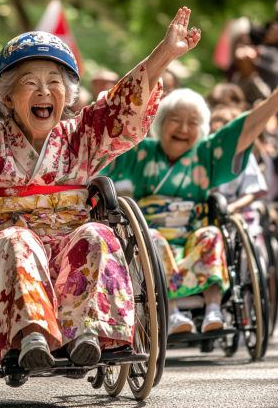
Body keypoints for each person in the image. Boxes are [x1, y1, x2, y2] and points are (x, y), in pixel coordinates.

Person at [0, 7, 201, 370]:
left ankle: (88, 334)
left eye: (54, 82)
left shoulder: (81, 136)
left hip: (69, 244)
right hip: (7, 246)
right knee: (18, 241)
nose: (44, 91)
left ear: (67, 96)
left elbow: (122, 106)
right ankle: (32, 336)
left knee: (99, 233)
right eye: (30, 83)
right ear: (7, 98)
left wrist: (165, 53)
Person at [102, 84, 278, 335]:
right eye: (175, 120)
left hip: (192, 236)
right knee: (152, 241)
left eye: (192, 123)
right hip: (152, 232)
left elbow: (244, 129)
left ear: (201, 131)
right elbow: (106, 149)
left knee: (213, 235)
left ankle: (214, 309)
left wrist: (274, 99)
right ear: (161, 123)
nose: (184, 129)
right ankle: (172, 312)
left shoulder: (207, 153)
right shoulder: (142, 151)